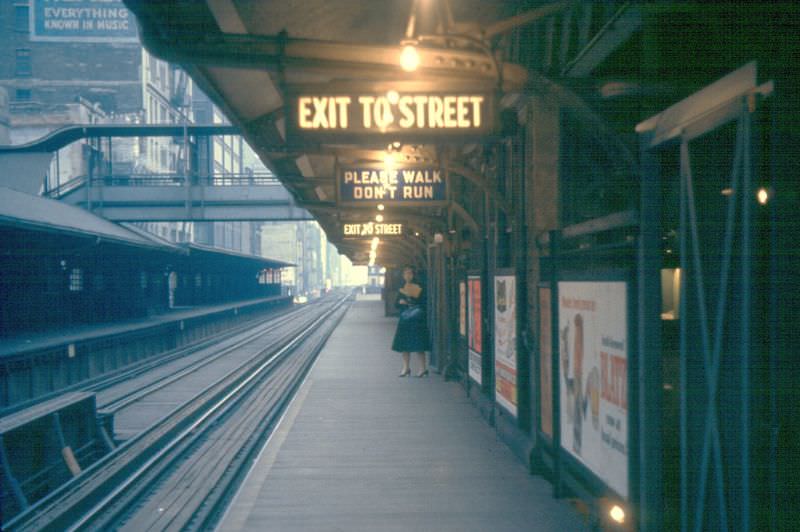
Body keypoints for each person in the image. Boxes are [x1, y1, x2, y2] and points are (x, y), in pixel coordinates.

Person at [392, 266, 431, 377]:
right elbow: (395, 304)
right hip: (405, 318)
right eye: (406, 274)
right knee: (404, 345)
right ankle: (406, 367)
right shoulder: (402, 287)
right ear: (403, 276)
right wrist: (401, 302)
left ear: (414, 275)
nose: (408, 276)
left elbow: (424, 302)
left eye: (410, 273)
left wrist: (412, 302)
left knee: (419, 345)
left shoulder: (420, 287)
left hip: (417, 319)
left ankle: (423, 368)